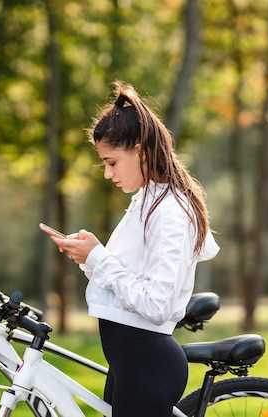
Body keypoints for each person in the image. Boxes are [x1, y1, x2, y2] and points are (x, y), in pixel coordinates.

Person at [39, 81, 220, 417]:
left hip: (147, 368)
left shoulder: (169, 212)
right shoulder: (147, 201)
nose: (108, 174)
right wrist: (88, 257)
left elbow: (156, 304)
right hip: (130, 365)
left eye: (112, 162)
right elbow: (126, 281)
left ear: (139, 150)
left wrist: (98, 257)